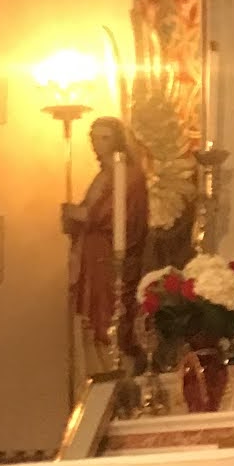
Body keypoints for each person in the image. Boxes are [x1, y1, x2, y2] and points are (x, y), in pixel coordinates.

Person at [62, 116, 149, 364]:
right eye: (93, 138)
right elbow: (90, 211)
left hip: (110, 258)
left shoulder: (130, 176)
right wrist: (74, 218)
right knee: (93, 319)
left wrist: (80, 215)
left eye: (104, 138)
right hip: (92, 258)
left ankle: (116, 368)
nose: (97, 144)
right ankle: (98, 375)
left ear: (118, 140)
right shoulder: (103, 175)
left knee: (110, 314)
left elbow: (116, 215)